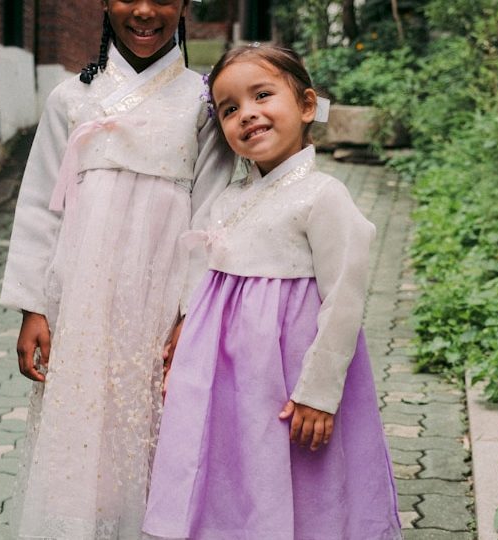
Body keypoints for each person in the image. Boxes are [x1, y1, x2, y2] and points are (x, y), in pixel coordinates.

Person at [143, 45, 403, 540]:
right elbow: (203, 278)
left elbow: (344, 301)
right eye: (230, 109)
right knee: (234, 465)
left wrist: (318, 392)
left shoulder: (323, 196)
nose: (247, 114)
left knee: (299, 470)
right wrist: (183, 339)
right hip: (225, 374)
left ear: (306, 105)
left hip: (287, 374)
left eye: (262, 95)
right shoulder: (228, 198)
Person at [0, 1, 234, 538]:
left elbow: (212, 213)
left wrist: (191, 313)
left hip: (160, 297)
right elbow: (40, 205)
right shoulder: (71, 98)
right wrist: (32, 305)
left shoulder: (203, 101)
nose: (145, 11)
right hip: (82, 296)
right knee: (82, 427)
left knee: (153, 424)